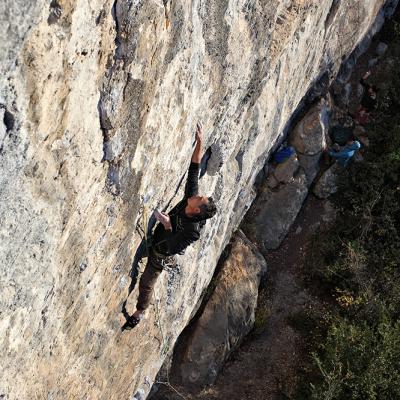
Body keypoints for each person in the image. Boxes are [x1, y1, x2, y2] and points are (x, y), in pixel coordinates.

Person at [123, 123, 217, 329]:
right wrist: (200, 142)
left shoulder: (193, 232)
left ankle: (139, 312)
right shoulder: (191, 199)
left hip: (162, 251)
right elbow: (195, 167)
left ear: (196, 210)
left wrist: (166, 224)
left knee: (146, 283)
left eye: (199, 198)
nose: (197, 195)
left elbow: (173, 246)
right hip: (160, 232)